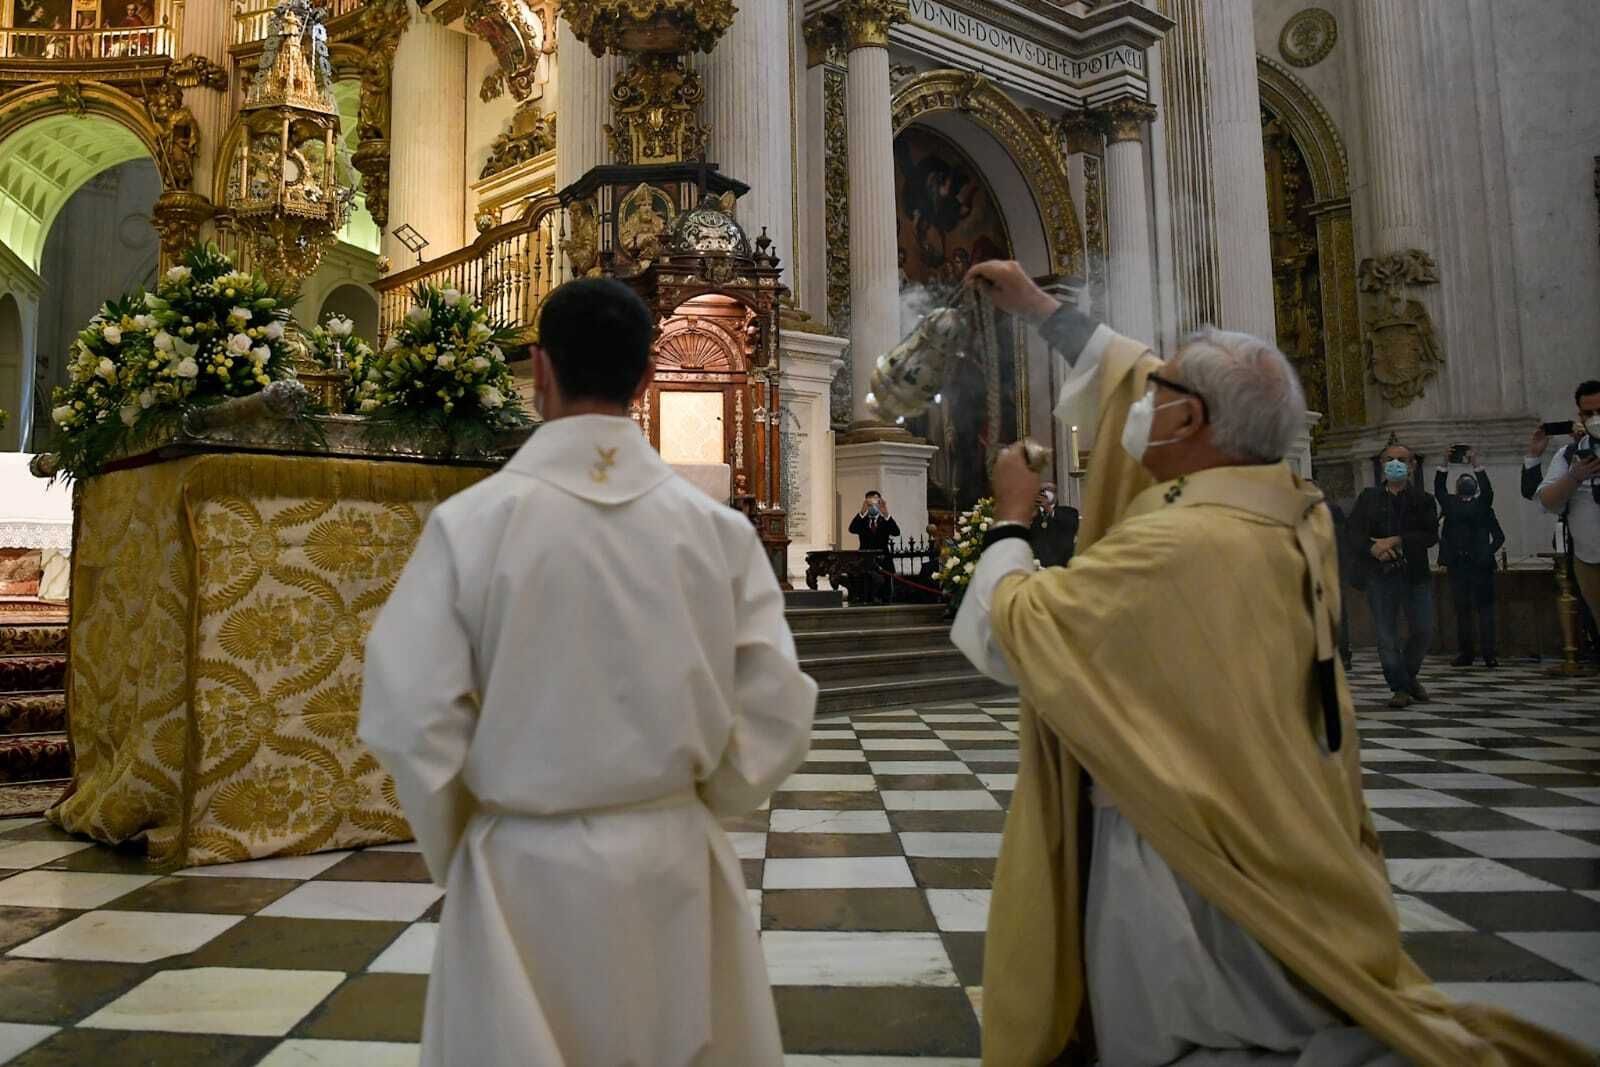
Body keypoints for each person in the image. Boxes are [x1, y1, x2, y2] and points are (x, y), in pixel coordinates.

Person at [950, 260, 1590, 1067]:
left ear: (1190, 422)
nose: (1142, 400)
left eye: (1162, 393)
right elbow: (1147, 382)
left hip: (1193, 848)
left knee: (1212, 1031)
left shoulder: (1178, 544)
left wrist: (1010, 523)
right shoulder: (1292, 510)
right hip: (1281, 814)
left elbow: (1015, 633)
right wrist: (1046, 311)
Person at [358, 277, 817, 1067]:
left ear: (538, 370)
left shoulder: (471, 526)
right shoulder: (717, 533)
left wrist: (474, 832)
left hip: (519, 879)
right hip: (674, 860)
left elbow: (408, 712)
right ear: (645, 379)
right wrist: (694, 801)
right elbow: (778, 707)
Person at [1348, 443, 1438, 707]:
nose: (1395, 463)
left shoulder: (1423, 500)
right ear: (1382, 464)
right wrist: (1374, 548)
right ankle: (1399, 687)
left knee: (1423, 630)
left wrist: (1397, 540)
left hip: (1414, 573)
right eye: (1390, 459)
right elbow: (1353, 532)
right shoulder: (1368, 497)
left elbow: (1430, 535)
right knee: (1386, 636)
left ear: (1412, 466)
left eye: (1401, 459)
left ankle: (1406, 677)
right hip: (1380, 575)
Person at [1537, 379, 1600, 639]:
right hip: (1589, 557)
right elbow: (1547, 500)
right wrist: (1574, 477)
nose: (1595, 418)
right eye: (1589, 413)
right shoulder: (1569, 454)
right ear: (1580, 415)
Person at [1435, 451, 1505, 668]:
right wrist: (1443, 464)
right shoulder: (1450, 504)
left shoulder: (1483, 505)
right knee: (1462, 610)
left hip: (1481, 565)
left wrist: (1477, 465)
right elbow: (1439, 489)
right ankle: (1466, 653)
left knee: (1485, 611)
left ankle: (1489, 654)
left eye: (1469, 482)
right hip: (1458, 565)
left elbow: (1499, 536)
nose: (1465, 485)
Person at [848, 491, 899, 602]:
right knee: (866, 589)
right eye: (870, 504)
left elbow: (896, 532)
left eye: (875, 503)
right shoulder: (862, 521)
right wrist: (862, 512)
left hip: (883, 560)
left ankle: (884, 599)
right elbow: (852, 529)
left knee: (884, 590)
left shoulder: (885, 521)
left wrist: (886, 513)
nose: (873, 507)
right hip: (866, 560)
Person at [1029, 480, 1078, 568]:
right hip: (1037, 564)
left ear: (1056, 494)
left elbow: (1071, 526)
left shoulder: (1069, 511)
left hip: (1061, 564)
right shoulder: (1032, 513)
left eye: (1049, 489)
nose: (1045, 493)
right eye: (1041, 490)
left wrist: (1048, 509)